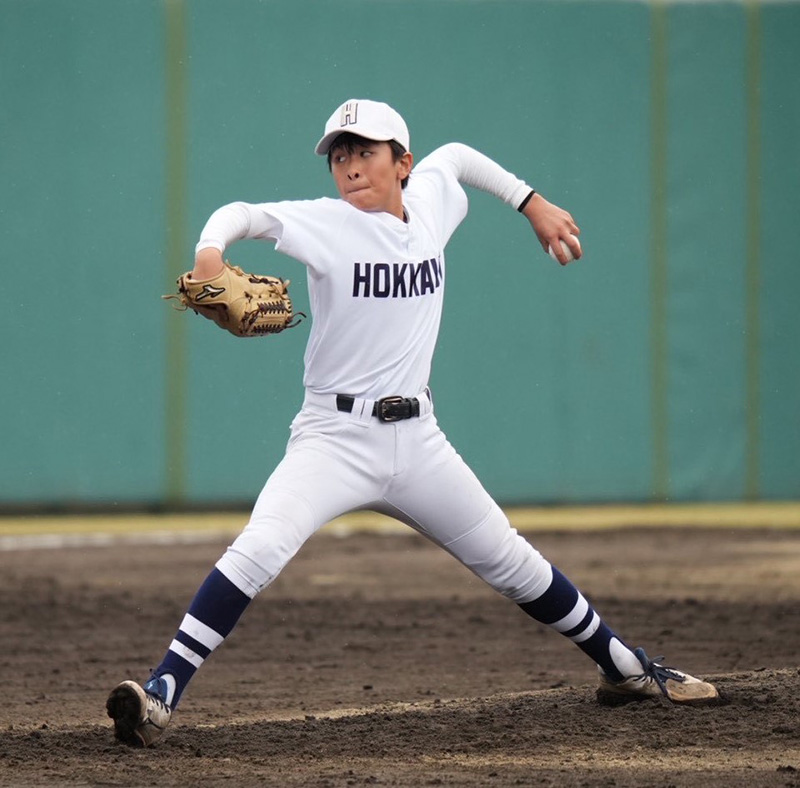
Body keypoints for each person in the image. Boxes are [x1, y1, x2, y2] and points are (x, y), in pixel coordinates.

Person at [107, 99, 718, 747]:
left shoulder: (430, 206)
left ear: (403, 163)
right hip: (333, 439)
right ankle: (160, 691)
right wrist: (210, 252)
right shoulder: (327, 224)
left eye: (365, 151)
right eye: (339, 155)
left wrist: (529, 202)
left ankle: (624, 667)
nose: (349, 165)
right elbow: (242, 214)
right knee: (259, 547)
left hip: (418, 441)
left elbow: (455, 156)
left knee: (512, 562)